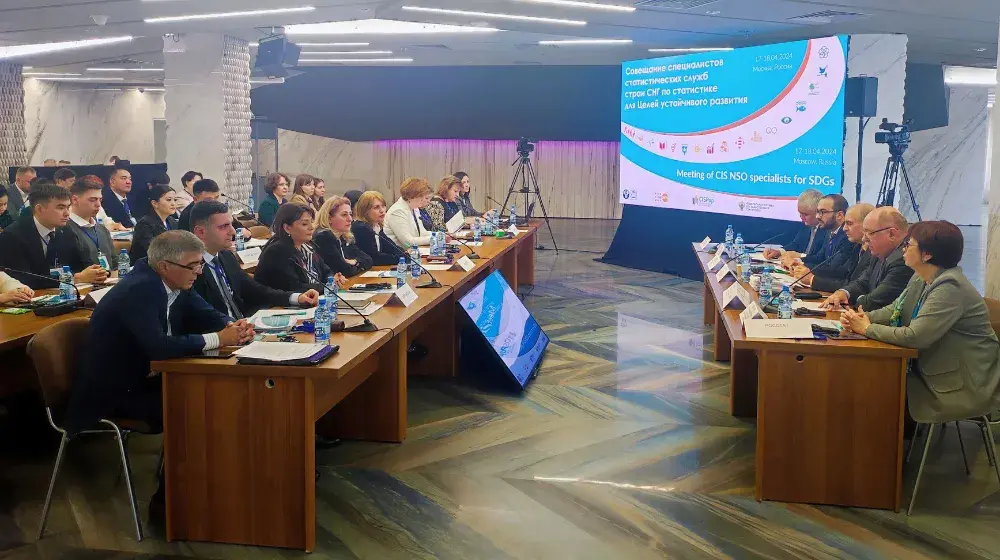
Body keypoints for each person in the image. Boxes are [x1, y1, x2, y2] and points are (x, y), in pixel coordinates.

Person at [63, 230, 254, 521]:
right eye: (193, 266)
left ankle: (216, 489)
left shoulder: (174, 282)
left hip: (146, 379)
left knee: (215, 396)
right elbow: (158, 347)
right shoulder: (138, 289)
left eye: (200, 264)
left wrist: (234, 326)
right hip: (115, 392)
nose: (199, 272)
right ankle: (170, 506)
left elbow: (208, 314)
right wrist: (218, 338)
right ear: (165, 265)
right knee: (195, 407)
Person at [841, 221, 1000, 424]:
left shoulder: (950, 286)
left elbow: (916, 336)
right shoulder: (921, 277)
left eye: (910, 244)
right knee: (867, 383)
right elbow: (895, 309)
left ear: (927, 255)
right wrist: (864, 318)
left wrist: (867, 328)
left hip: (963, 384)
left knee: (873, 391)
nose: (904, 249)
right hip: (932, 367)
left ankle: (889, 452)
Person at [190, 201, 319, 318]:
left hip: (243, 326)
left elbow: (254, 289)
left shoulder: (225, 256)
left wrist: (297, 298)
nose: (233, 231)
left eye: (231, 224)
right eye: (223, 227)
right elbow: (199, 316)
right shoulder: (189, 268)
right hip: (221, 335)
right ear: (200, 232)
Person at [0, 182, 107, 288]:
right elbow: (22, 278)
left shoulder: (66, 231)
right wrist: (74, 279)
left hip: (65, 293)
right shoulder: (13, 236)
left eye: (68, 207)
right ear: (39, 209)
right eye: (60, 208)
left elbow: (82, 264)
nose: (67, 213)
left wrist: (97, 273)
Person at [823, 206, 913, 311]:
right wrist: (843, 293)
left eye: (869, 233)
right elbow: (862, 282)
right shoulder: (879, 252)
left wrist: (853, 300)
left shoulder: (903, 260)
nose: (864, 238)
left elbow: (873, 302)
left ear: (892, 234)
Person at [254, 203, 344, 293]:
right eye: (304, 224)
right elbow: (295, 287)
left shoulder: (307, 246)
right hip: (278, 305)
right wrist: (328, 286)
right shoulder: (277, 251)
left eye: (311, 222)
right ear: (287, 228)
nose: (311, 227)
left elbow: (326, 271)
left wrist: (333, 279)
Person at [793, 203, 874, 291]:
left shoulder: (874, 253)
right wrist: (804, 268)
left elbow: (856, 285)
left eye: (849, 223)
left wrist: (812, 280)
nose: (844, 228)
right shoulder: (858, 247)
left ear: (866, 225)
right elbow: (841, 272)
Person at [782, 193, 852, 270]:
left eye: (823, 212)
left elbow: (833, 268)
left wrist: (800, 266)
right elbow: (819, 258)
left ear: (839, 215)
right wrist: (796, 261)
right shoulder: (830, 231)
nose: (817, 216)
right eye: (818, 212)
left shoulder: (847, 237)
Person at [63, 176, 118, 272]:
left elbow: (115, 263)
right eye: (92, 200)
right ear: (75, 200)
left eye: (100, 200)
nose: (98, 205)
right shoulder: (65, 229)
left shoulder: (102, 229)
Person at [314, 197, 373, 277]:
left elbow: (369, 259)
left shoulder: (343, 236)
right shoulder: (324, 237)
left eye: (350, 214)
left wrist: (355, 261)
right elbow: (346, 271)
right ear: (329, 218)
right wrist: (359, 265)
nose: (350, 219)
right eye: (344, 215)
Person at [763, 189, 826, 261]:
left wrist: (800, 256)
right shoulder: (806, 225)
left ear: (818, 213)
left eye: (805, 214)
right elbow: (795, 245)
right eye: (800, 213)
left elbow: (821, 259)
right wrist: (779, 252)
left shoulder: (827, 230)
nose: (801, 217)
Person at [353, 191, 404, 266]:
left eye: (383, 206)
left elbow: (391, 247)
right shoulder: (361, 228)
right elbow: (375, 258)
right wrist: (401, 258)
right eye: (376, 207)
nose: (382, 210)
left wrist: (403, 254)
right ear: (365, 210)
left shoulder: (376, 226)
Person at [130, 184, 178, 262]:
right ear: (154, 203)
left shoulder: (172, 221)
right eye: (169, 200)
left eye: (175, 200)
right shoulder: (144, 224)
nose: (173, 203)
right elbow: (151, 251)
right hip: (147, 265)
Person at [385, 177, 437, 248]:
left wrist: (440, 235)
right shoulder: (398, 211)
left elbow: (422, 233)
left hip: (413, 251)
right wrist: (435, 238)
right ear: (413, 195)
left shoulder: (414, 208)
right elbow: (407, 242)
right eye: (424, 197)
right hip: (398, 254)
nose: (426, 201)